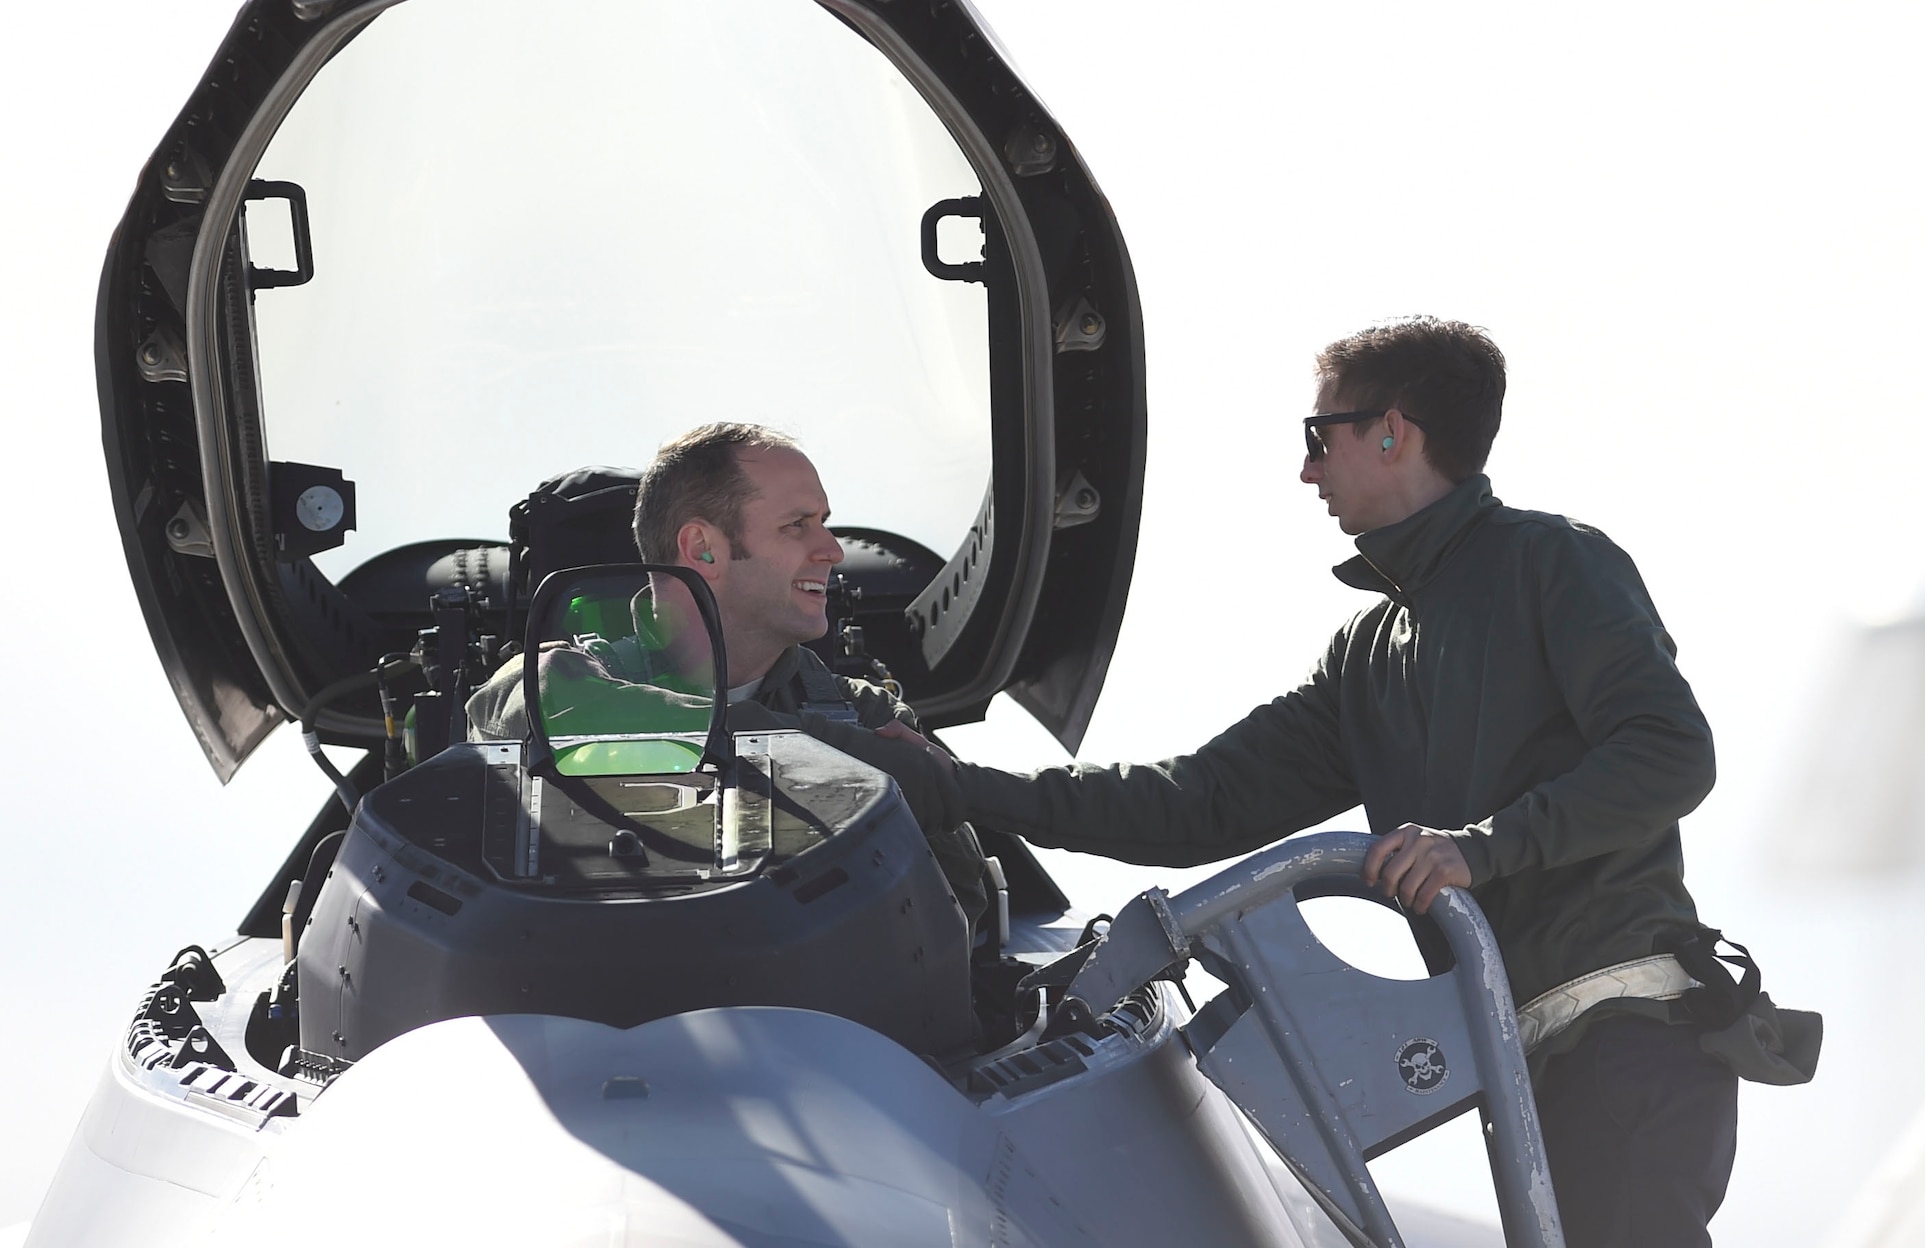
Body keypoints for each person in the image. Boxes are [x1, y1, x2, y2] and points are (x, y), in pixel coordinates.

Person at [890, 317, 1800, 1246]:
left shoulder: (1553, 562)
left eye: (1320, 437)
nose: (1307, 470)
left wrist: (1478, 851)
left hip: (1626, 1044)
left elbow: (1671, 749)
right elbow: (1196, 801)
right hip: (1528, 1064)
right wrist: (962, 788)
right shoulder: (1366, 655)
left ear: (1394, 432)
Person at [469, 423, 985, 922]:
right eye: (797, 525)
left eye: (824, 522)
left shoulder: (868, 716)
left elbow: (956, 914)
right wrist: (817, 751)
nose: (832, 550)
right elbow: (518, 711)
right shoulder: (545, 691)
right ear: (703, 549)